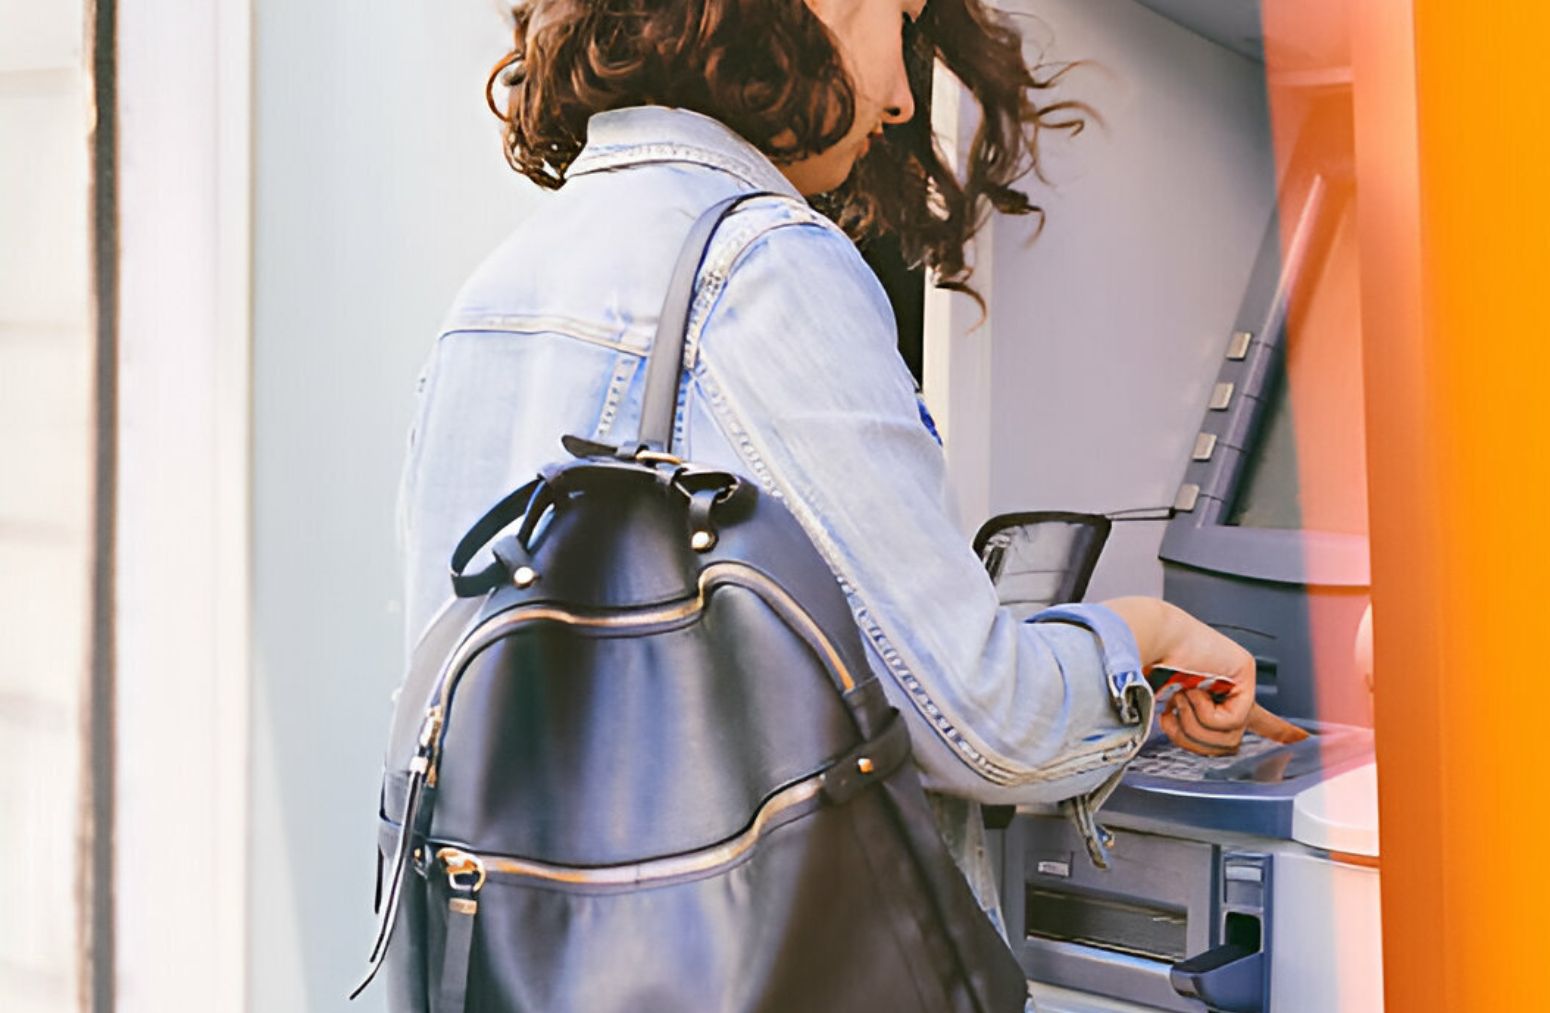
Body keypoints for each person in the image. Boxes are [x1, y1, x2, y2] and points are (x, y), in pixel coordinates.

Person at [398, 0, 1257, 928]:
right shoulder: (765, 267)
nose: (897, 102)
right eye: (899, 20)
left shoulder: (492, 293)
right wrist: (1143, 637)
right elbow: (985, 723)